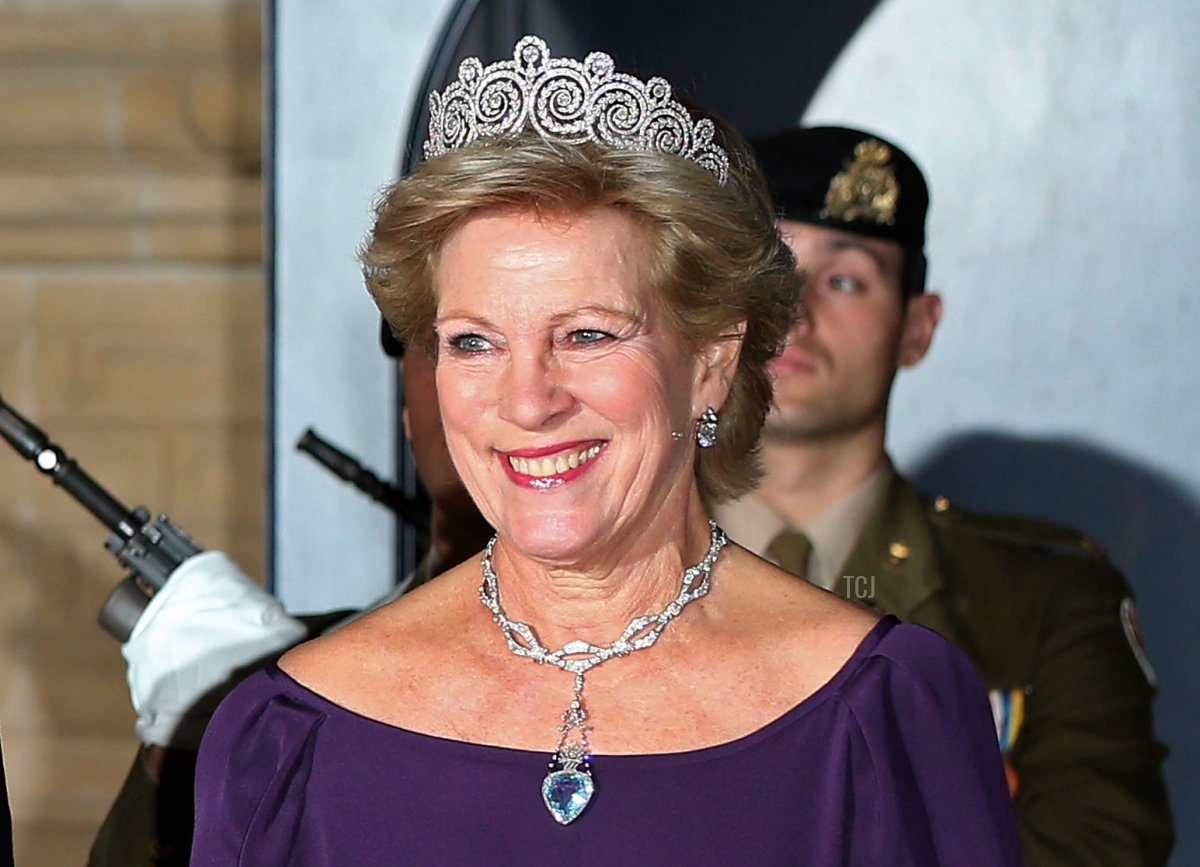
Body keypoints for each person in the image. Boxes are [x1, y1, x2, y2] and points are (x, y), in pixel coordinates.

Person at [190, 36, 1020, 864]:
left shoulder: (881, 714)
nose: (527, 400)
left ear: (711, 362)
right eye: (475, 342)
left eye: (586, 334)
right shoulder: (291, 734)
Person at [714, 125, 1173, 864]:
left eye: (845, 280)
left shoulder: (1043, 598)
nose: (797, 313)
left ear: (917, 328)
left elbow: (1103, 845)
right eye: (772, 273)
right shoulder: (588, 573)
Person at [87, 335, 491, 866]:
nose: (508, 393)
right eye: (461, 343)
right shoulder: (286, 673)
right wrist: (184, 750)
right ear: (406, 404)